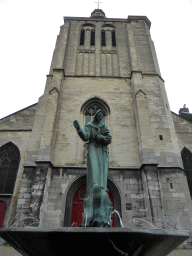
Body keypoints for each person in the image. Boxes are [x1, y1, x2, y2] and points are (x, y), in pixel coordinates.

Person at [73, 109, 112, 195]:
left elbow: (109, 138)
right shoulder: (89, 125)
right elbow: (86, 136)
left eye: (102, 117)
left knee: (101, 168)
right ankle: (95, 184)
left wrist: (100, 137)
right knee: (94, 165)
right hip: (92, 147)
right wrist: (79, 129)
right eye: (99, 116)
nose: (101, 118)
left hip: (101, 149)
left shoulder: (103, 126)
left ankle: (102, 186)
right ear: (96, 116)